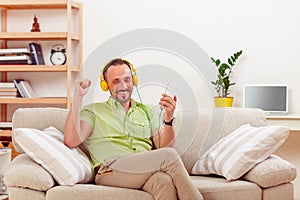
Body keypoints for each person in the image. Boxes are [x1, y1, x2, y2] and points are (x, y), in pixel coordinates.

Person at [64, 58, 203, 200]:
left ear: (134, 81)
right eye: (116, 81)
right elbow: (71, 140)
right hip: (111, 171)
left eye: (127, 79)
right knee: (169, 155)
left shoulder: (148, 111)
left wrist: (168, 119)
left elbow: (164, 145)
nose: (123, 86)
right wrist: (78, 97)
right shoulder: (94, 111)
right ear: (105, 85)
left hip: (142, 169)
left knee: (163, 181)